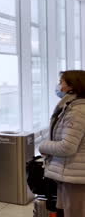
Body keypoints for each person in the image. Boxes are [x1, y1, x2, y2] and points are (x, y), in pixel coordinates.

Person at [39, 70, 85, 217]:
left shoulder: (77, 111)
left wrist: (43, 146)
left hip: (75, 177)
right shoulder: (71, 107)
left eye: (61, 83)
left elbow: (67, 146)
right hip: (72, 174)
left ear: (72, 86)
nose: (59, 86)